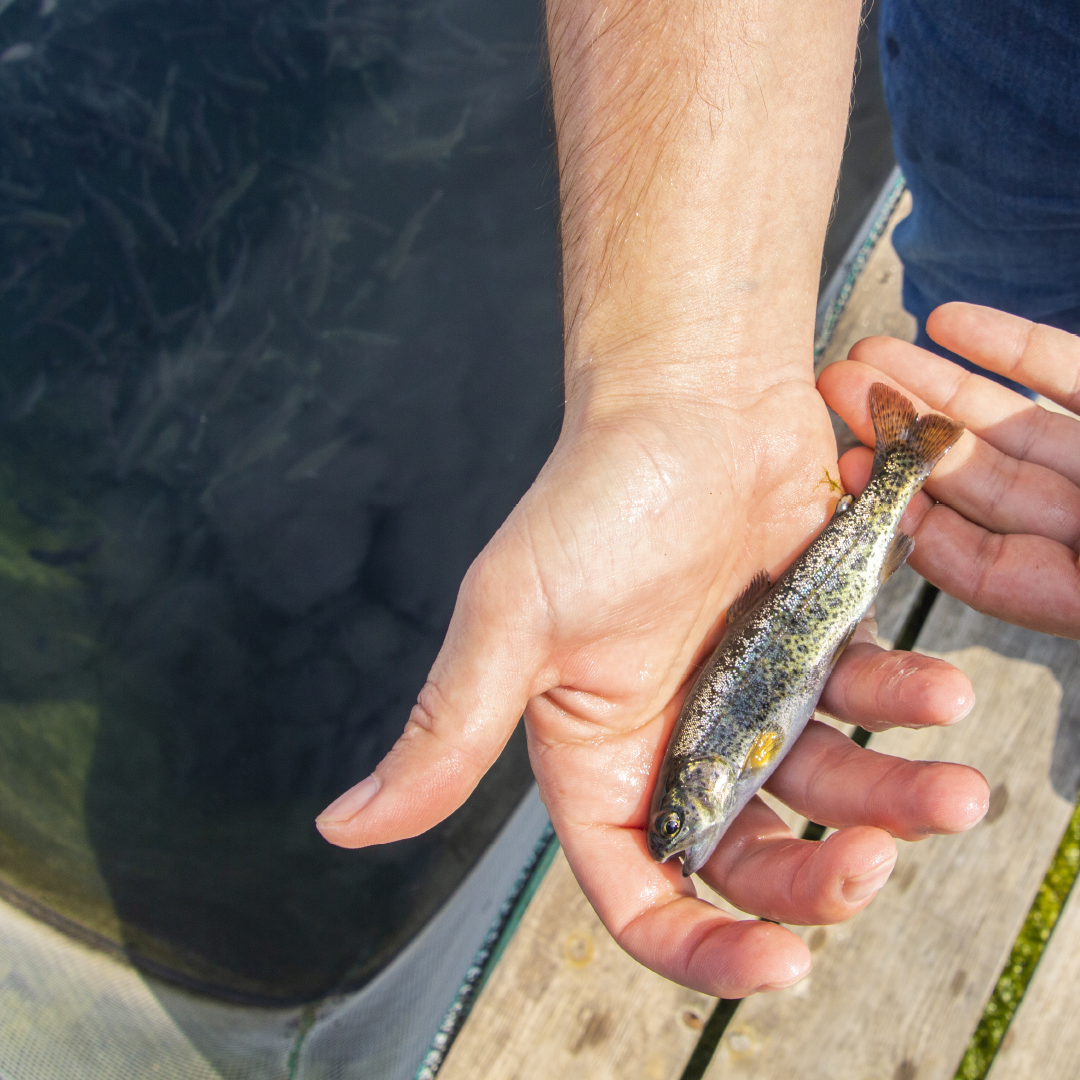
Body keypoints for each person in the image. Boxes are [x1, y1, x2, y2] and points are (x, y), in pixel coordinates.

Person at [316, 0, 1078, 998]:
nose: (683, 838)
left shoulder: (722, 761)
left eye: (682, 822)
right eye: (680, 826)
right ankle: (943, 489)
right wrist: (685, 381)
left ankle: (928, 486)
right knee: (991, 306)